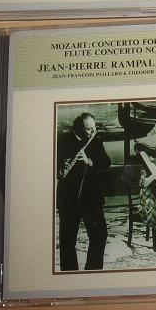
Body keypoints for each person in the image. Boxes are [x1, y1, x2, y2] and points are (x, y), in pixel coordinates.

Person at [56, 112, 111, 271]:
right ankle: (69, 275)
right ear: (79, 129)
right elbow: (53, 164)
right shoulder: (63, 141)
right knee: (67, 241)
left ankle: (92, 272)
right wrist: (60, 169)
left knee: (99, 235)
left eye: (94, 127)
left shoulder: (96, 140)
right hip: (69, 198)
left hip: (91, 198)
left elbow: (106, 163)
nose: (93, 131)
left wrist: (89, 161)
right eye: (89, 129)